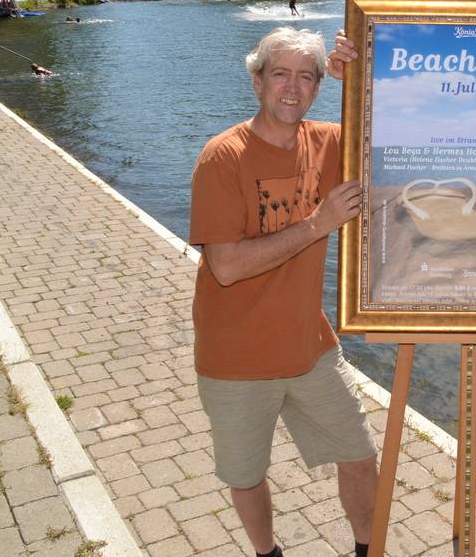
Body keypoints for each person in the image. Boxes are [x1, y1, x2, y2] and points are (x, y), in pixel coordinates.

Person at [189, 27, 374, 557]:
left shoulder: (329, 142)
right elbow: (225, 266)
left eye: (307, 77)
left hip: (309, 348)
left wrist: (357, 77)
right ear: (257, 82)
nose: (292, 89)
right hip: (235, 358)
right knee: (246, 474)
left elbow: (391, 137)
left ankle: (368, 549)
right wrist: (320, 223)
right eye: (280, 75)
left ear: (318, 86)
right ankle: (268, 554)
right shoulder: (222, 158)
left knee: (359, 453)